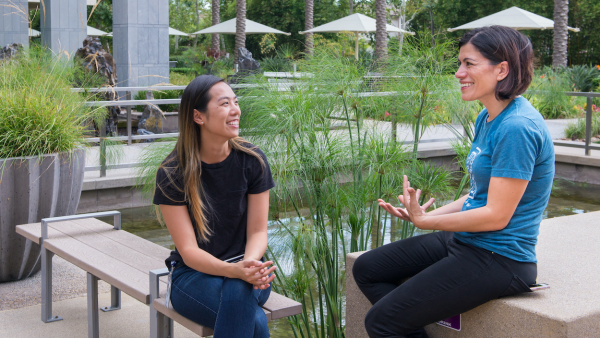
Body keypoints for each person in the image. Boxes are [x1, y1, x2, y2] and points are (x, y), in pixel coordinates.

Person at [352, 26, 555, 338]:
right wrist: (427, 215)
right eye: (459, 64)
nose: (459, 73)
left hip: (500, 258)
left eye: (469, 64)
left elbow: (496, 215)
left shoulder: (517, 127)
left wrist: (426, 224)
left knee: (381, 321)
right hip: (466, 240)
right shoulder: (487, 117)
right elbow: (479, 195)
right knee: (367, 269)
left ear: (501, 69)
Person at [153, 75, 277, 338]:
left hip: (249, 266)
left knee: (240, 290)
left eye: (235, 101)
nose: (236, 110)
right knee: (253, 321)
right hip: (193, 276)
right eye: (224, 104)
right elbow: (188, 251)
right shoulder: (173, 172)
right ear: (199, 117)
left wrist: (249, 264)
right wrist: (234, 271)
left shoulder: (252, 160)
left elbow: (257, 232)